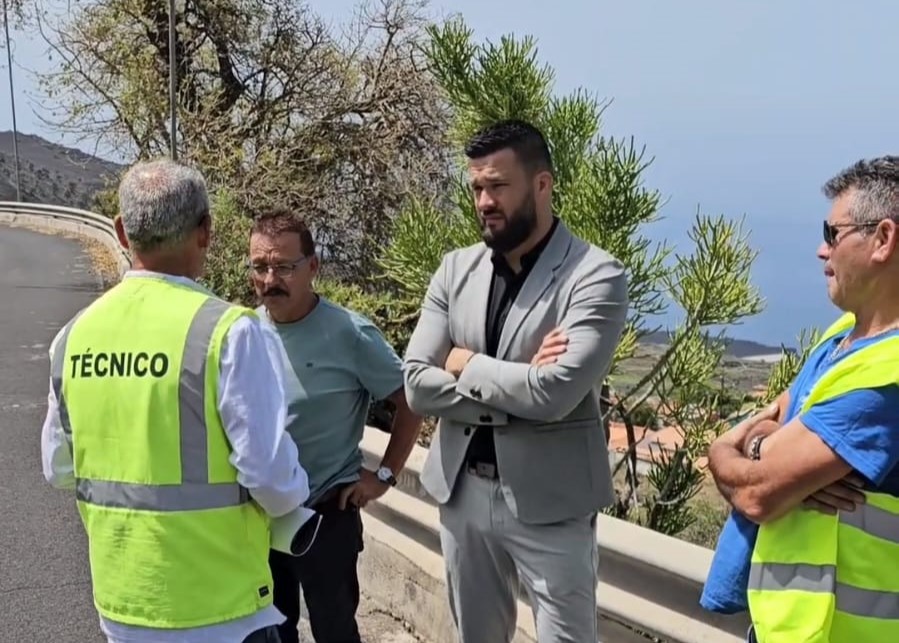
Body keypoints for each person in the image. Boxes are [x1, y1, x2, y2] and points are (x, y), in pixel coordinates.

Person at [40, 159, 312, 643]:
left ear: (122, 232)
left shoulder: (73, 336)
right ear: (205, 231)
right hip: (222, 610)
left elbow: (59, 468)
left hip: (123, 607)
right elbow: (271, 477)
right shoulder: (229, 332)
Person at [402, 119, 629, 643]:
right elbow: (416, 384)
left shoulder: (595, 275)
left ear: (542, 185)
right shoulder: (455, 270)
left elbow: (554, 394)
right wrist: (523, 379)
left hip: (552, 504)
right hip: (461, 493)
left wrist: (464, 363)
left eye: (498, 186)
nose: (484, 201)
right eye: (477, 188)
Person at [704, 156, 899, 642]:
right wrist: (754, 450)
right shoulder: (841, 340)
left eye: (833, 233)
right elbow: (766, 434)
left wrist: (731, 453)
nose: (820, 250)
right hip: (785, 624)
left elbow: (756, 493)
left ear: (883, 240)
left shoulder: (888, 376)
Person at [248, 207, 423, 643]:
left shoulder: (350, 334)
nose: (270, 280)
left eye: (284, 267)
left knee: (334, 632)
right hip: (256, 519)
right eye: (260, 267)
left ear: (313, 267)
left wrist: (384, 475)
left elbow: (411, 402)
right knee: (268, 632)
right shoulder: (243, 331)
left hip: (326, 515)